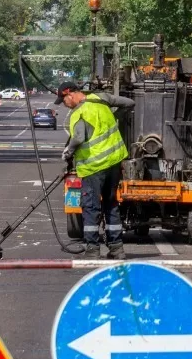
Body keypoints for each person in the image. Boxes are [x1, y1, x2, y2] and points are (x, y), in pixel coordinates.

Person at [56, 82, 134, 259]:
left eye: (63, 100)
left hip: (93, 167)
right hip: (114, 162)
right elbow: (129, 103)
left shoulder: (79, 113)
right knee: (111, 204)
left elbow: (78, 138)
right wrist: (116, 118)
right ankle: (117, 248)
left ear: (71, 94)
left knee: (91, 207)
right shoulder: (101, 99)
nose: (64, 104)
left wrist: (67, 153)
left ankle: (92, 249)